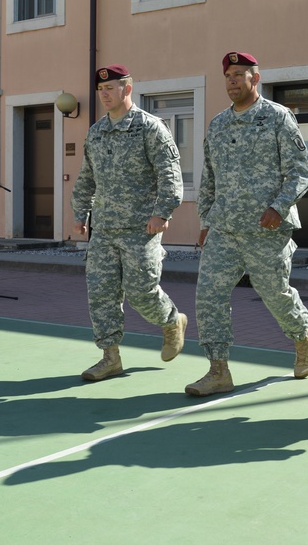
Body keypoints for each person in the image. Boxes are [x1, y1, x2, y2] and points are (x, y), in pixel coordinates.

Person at [185, 51, 308, 396]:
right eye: (228, 76)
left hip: (267, 229)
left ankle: (303, 336)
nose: (232, 81)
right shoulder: (218, 124)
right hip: (225, 228)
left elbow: (301, 173)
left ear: (254, 79)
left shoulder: (278, 118)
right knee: (209, 295)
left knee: (274, 294)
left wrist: (278, 207)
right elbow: (210, 177)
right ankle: (218, 370)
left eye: (239, 75)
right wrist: (205, 221)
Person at [71, 64, 187, 382]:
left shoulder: (151, 128)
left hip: (141, 228)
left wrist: (162, 212)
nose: (105, 94)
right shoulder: (96, 132)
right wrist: (81, 213)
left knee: (141, 292)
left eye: (111, 88)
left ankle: (172, 321)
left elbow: (170, 174)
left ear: (127, 88)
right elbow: (86, 178)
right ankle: (110, 357)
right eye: (100, 90)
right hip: (105, 229)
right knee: (101, 294)